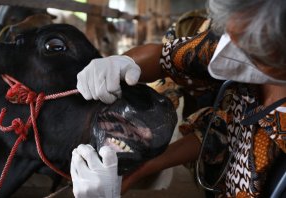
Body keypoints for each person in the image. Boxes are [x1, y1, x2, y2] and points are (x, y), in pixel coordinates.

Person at [71, 0, 286, 197]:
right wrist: (121, 63)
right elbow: (169, 57)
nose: (234, 49)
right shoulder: (240, 34)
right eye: (231, 37)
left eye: (256, 48)